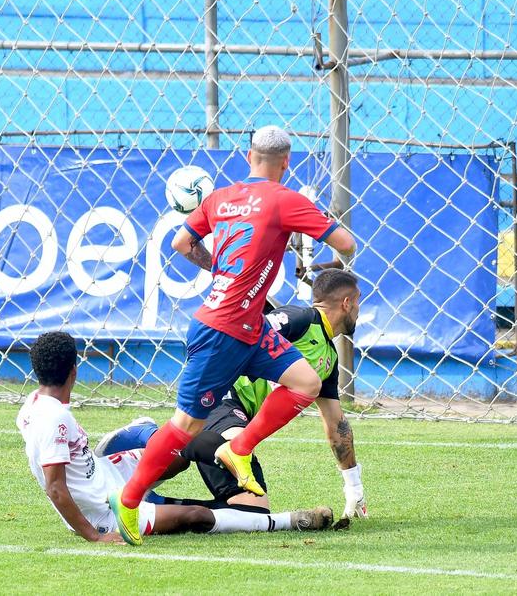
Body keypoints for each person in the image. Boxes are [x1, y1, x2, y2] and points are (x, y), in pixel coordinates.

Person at [110, 126, 356, 545]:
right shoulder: (287, 199)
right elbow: (347, 245)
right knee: (186, 425)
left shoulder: (220, 198)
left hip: (251, 326)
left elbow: (181, 243)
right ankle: (129, 500)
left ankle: (238, 447)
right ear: (286, 162)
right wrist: (308, 226)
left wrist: (220, 270)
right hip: (222, 330)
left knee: (306, 382)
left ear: (247, 157)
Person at [97, 269, 368, 521]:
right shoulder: (299, 319)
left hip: (238, 418)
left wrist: (354, 487)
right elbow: (244, 336)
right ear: (346, 303)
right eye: (357, 302)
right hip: (224, 397)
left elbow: (336, 424)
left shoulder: (329, 359)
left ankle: (148, 502)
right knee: (230, 445)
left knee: (253, 509)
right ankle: (145, 440)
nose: (358, 309)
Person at [17, 331, 333, 544]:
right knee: (193, 516)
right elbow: (55, 487)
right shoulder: (54, 418)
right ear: (75, 369)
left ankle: (230, 453)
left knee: (176, 447)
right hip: (103, 511)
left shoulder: (34, 405)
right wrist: (94, 535)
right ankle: (289, 520)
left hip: (109, 474)